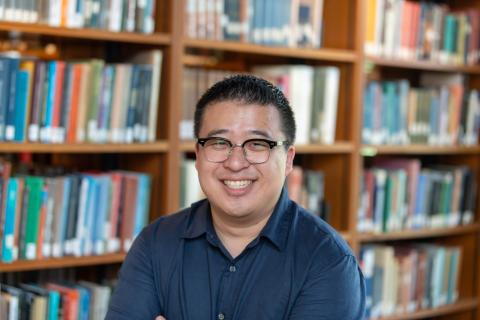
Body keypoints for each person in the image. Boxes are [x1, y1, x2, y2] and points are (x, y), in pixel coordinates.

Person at [105, 74, 365, 319]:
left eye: (257, 144)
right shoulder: (155, 244)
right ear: (197, 155)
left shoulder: (328, 262)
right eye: (219, 143)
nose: (236, 163)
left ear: (288, 159)